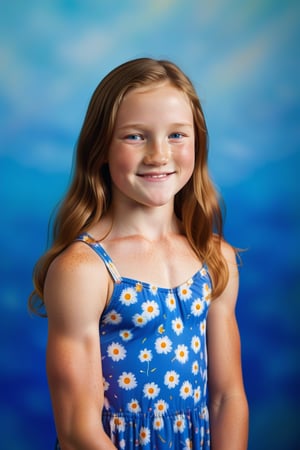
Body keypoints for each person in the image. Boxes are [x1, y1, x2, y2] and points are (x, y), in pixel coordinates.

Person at [29, 57, 248, 450]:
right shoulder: (85, 269)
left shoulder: (214, 258)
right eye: (135, 136)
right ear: (100, 148)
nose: (159, 154)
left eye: (177, 135)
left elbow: (226, 398)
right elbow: (78, 431)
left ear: (198, 143)